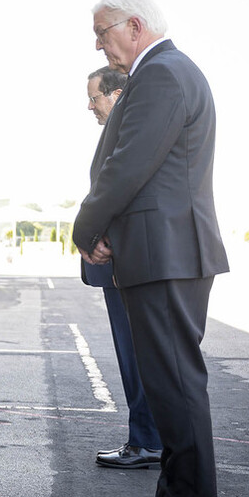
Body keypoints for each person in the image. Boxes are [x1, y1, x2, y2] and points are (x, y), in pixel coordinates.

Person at [73, 0, 229, 497]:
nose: (98, 43)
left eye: (103, 31)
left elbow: (126, 167)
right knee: (168, 385)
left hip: (167, 255)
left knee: (176, 384)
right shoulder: (167, 71)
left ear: (134, 26)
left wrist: (85, 229)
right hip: (164, 252)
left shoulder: (162, 74)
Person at [83, 66, 163, 469]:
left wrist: (92, 235)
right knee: (135, 356)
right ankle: (145, 438)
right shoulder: (122, 131)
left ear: (115, 95)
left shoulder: (127, 132)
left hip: (123, 260)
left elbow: (117, 188)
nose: (90, 107)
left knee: (136, 356)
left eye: (94, 98)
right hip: (122, 261)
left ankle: (147, 441)